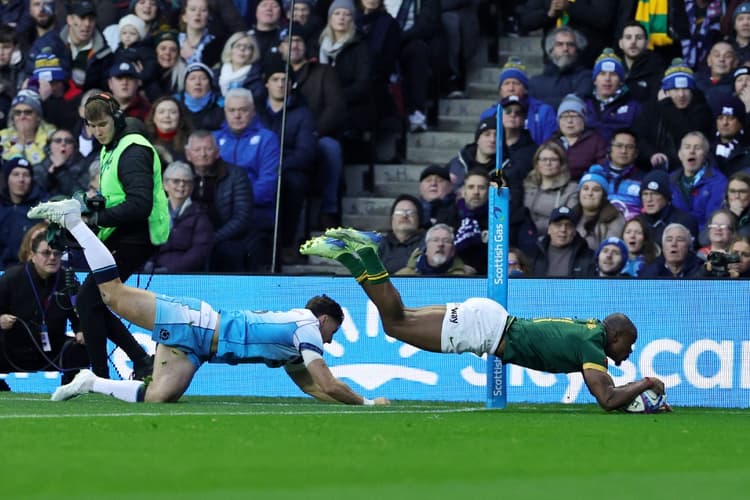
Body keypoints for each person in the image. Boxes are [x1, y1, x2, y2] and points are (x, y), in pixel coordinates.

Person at [27, 198, 388, 406]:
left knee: (157, 398)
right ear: (323, 319)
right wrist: (368, 404)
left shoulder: (297, 346)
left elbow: (312, 387)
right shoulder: (306, 328)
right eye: (333, 331)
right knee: (112, 293)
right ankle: (74, 220)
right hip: (193, 322)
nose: (330, 340)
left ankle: (90, 382)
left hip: (199, 350)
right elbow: (327, 383)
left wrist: (351, 409)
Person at [299, 226, 667, 412]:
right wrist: (647, 381)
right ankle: (365, 254)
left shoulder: (590, 329)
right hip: (485, 329)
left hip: (489, 318)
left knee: (400, 316)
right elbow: (606, 397)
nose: (627, 352)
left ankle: (351, 257)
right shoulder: (594, 345)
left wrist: (638, 390)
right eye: (628, 345)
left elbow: (612, 391)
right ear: (614, 334)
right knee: (395, 323)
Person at [71, 91, 169, 380]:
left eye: (102, 124)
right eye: (92, 126)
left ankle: (102, 375)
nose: (98, 132)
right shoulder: (111, 147)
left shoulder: (132, 149)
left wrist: (97, 217)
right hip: (122, 231)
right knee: (92, 300)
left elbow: (140, 205)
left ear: (115, 118)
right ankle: (137, 361)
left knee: (89, 299)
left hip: (138, 234)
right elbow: (118, 196)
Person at [0, 231, 89, 390]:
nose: (53, 258)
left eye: (57, 253)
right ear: (32, 255)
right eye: (46, 253)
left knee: (79, 347)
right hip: (13, 346)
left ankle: (71, 390)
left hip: (51, 347)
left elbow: (81, 313)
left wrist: (81, 329)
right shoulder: (12, 277)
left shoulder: (67, 280)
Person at [278, 22, 346, 229]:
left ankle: (328, 209)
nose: (294, 45)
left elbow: (336, 107)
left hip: (316, 135)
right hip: (281, 140)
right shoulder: (275, 74)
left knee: (331, 148)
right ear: (280, 47)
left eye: (298, 41)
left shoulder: (323, 71)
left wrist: (314, 132)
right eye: (288, 41)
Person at [186, 130, 253, 272]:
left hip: (223, 237)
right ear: (188, 154)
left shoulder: (236, 175)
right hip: (188, 236)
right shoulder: (180, 175)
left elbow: (241, 218)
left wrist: (213, 238)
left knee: (229, 252)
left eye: (208, 149)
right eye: (197, 150)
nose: (203, 154)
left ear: (217, 152)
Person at [634, 58, 713, 171]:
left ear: (692, 91)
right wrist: (651, 155)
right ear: (665, 92)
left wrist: (667, 106)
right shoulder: (652, 109)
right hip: (652, 169)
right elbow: (639, 139)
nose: (681, 94)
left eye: (686, 89)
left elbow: (688, 136)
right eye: (675, 89)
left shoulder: (702, 110)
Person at [26, 0, 114, 91]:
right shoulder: (47, 43)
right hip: (52, 100)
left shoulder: (104, 52)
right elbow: (31, 75)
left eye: (91, 19)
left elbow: (108, 87)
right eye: (82, 18)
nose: (87, 24)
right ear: (70, 20)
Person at [143, 161, 213, 273]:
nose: (181, 185)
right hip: (151, 273)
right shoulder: (154, 212)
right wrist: (148, 264)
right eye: (176, 181)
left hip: (185, 275)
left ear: (192, 187)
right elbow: (144, 244)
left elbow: (199, 252)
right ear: (165, 185)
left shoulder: (200, 215)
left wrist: (170, 270)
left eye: (187, 181)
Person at [480, 57, 557, 145]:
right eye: (506, 83)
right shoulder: (489, 115)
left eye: (516, 83)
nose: (511, 88)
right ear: (500, 90)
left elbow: (550, 145)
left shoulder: (544, 112)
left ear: (525, 89)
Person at [669, 131, 728, 233]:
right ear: (680, 154)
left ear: (705, 155)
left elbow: (712, 221)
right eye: (687, 147)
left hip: (703, 239)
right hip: (674, 238)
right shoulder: (669, 180)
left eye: (697, 148)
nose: (692, 151)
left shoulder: (718, 182)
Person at [582, 48, 641, 142]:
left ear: (621, 81)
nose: (607, 79)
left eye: (613, 74)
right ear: (594, 80)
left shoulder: (633, 107)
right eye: (602, 74)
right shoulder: (583, 104)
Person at [528, 26, 593, 110]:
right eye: (559, 44)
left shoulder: (585, 77)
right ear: (550, 49)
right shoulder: (535, 82)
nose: (565, 49)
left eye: (570, 44)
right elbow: (529, 107)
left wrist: (541, 103)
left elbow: (580, 103)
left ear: (577, 49)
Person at [0, 157, 47, 270]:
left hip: (29, 271)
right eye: (16, 174)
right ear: (7, 178)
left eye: (26, 175)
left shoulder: (42, 208)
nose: (21, 179)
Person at [523, 141, 578, 235]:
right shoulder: (527, 185)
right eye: (544, 159)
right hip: (525, 235)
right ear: (537, 163)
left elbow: (567, 219)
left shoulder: (571, 189)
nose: (548, 163)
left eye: (553, 159)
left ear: (561, 163)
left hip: (553, 237)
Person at [549, 93, 607, 181]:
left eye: (574, 116)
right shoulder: (551, 142)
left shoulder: (596, 141)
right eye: (564, 116)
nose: (569, 121)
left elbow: (602, 169)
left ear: (584, 120)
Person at [639, 169, 699, 246]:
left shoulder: (685, 222)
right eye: (645, 194)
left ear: (666, 197)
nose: (649, 199)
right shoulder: (638, 223)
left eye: (654, 194)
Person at [530, 205, 595, 277]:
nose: (563, 229)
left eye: (569, 225)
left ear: (574, 231)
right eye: (558, 225)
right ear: (549, 229)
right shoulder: (534, 254)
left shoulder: (588, 257)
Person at [0, 90, 56, 169]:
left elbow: (46, 167)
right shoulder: (3, 136)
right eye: (17, 113)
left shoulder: (51, 136)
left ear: (38, 117)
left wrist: (29, 143)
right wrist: (20, 143)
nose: (22, 117)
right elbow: (5, 165)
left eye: (28, 112)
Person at [574, 166, 626, 251]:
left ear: (604, 196)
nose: (589, 193)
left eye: (596, 190)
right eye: (585, 189)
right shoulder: (571, 215)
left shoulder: (615, 218)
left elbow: (610, 253)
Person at [599, 128, 647, 220]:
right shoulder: (597, 175)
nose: (623, 151)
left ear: (636, 153)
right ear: (610, 149)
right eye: (619, 146)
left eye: (629, 147)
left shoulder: (644, 180)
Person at [616, 20, 666, 105]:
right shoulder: (612, 70)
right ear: (620, 43)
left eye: (639, 38)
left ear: (647, 43)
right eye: (628, 37)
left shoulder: (658, 70)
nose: (633, 42)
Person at [395, 223, 473, 276]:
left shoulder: (467, 277)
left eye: (446, 241)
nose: (440, 244)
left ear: (452, 251)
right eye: (435, 240)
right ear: (426, 248)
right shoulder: (404, 276)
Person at [33, 129, 90, 197]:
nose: (63, 144)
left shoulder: (85, 167)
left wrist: (61, 172)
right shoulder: (37, 169)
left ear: (74, 147)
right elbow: (36, 195)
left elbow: (81, 196)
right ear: (49, 146)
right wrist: (50, 176)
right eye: (58, 141)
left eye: (68, 141)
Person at [377, 194, 424, 274]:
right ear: (392, 218)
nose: (404, 215)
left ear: (419, 218)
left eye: (410, 212)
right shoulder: (379, 244)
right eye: (399, 212)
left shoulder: (427, 242)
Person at [454, 169, 489, 274]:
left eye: (481, 187)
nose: (476, 192)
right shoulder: (450, 215)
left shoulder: (497, 218)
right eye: (471, 187)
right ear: (463, 192)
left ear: (489, 192)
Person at [144, 96, 193, 166]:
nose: (167, 116)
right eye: (161, 112)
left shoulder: (190, 141)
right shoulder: (145, 140)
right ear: (153, 117)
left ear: (180, 117)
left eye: (173, 112)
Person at [176, 62, 224, 131]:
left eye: (203, 78)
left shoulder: (221, 105)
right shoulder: (175, 103)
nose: (197, 82)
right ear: (185, 84)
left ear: (210, 84)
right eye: (192, 78)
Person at [710, 94, 750, 177]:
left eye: (731, 118)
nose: (725, 123)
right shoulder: (706, 151)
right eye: (720, 118)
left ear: (740, 123)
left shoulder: (747, 151)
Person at [217, 31, 264, 100]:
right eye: (238, 46)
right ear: (230, 50)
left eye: (247, 47)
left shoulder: (257, 79)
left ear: (252, 53)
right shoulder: (216, 74)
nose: (242, 49)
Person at [143, 29, 187, 102]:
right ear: (155, 51)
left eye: (173, 50)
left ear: (178, 54)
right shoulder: (146, 69)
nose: (167, 53)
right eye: (163, 49)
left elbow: (162, 102)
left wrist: (148, 79)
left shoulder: (183, 77)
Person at [417, 164, 459, 230]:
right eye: (428, 180)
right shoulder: (413, 210)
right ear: (420, 187)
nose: (433, 184)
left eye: (440, 180)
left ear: (450, 186)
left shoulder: (460, 210)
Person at [724, 171, 750, 236]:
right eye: (732, 191)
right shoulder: (721, 212)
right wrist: (731, 216)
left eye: (742, 192)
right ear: (727, 195)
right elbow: (703, 240)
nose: (737, 196)